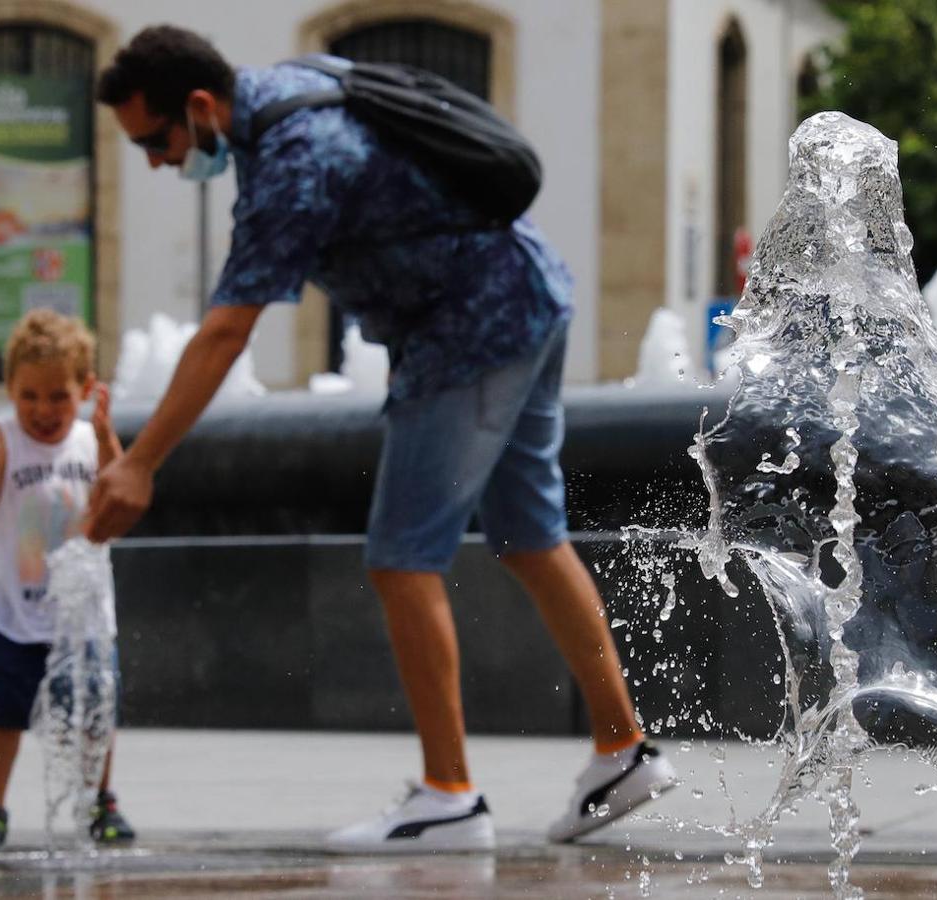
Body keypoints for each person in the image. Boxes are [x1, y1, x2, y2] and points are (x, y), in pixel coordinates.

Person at [88, 25, 676, 851]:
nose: (155, 162)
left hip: (468, 332)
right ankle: (623, 752)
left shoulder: (294, 155)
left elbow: (226, 333)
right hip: (528, 297)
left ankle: (448, 796)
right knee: (530, 535)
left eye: (156, 141)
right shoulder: (298, 85)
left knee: (402, 558)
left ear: (199, 105)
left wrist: (141, 462)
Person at [0, 309, 136, 852]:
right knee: (0, 714)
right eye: (29, 396)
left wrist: (107, 441)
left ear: (85, 389)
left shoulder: (87, 441)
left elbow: (117, 502)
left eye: (58, 395)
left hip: (85, 614)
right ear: (10, 389)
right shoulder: (2, 441)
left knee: (95, 711)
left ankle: (101, 801)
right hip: (9, 612)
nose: (43, 409)